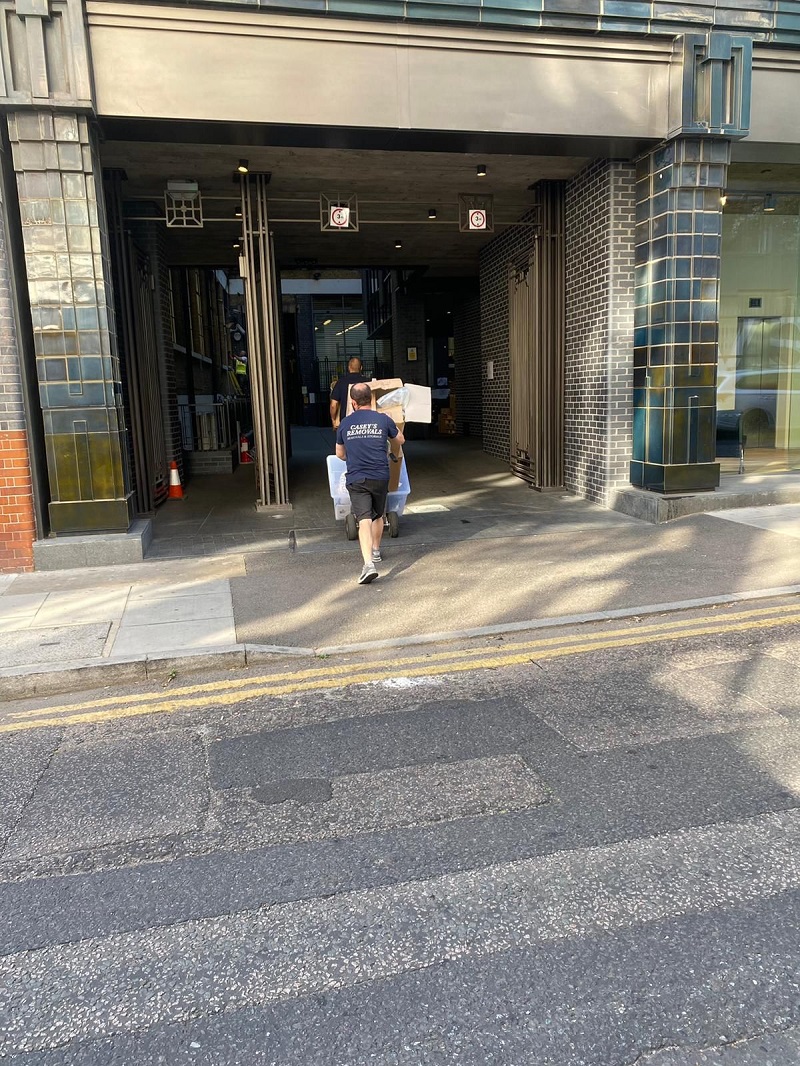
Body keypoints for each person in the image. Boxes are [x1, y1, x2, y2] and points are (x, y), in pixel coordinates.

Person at [336, 381, 404, 585]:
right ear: (371, 399)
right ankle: (375, 551)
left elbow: (339, 454)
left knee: (363, 518)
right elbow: (400, 439)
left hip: (357, 477)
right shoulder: (383, 419)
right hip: (380, 476)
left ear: (353, 402)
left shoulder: (345, 424)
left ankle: (368, 565)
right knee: (378, 514)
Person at [330, 357, 368, 429]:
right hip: (366, 422)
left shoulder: (341, 382)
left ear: (349, 367)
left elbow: (333, 405)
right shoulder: (368, 382)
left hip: (346, 422)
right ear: (361, 368)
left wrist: (334, 420)